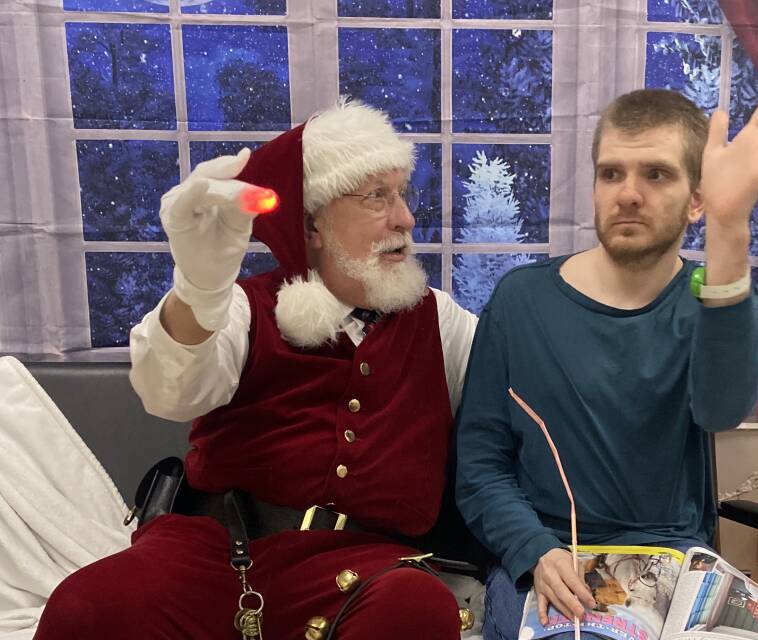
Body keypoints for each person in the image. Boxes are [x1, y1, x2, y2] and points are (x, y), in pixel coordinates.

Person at [35, 99, 477, 639]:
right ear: (311, 225)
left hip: (362, 569)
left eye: (401, 194)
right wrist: (198, 288)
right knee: (89, 608)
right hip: (217, 551)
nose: (405, 218)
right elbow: (171, 393)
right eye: (376, 197)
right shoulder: (243, 308)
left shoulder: (441, 322)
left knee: (416, 608)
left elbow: (520, 391)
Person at [455, 70, 758, 640]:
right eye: (612, 173)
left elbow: (720, 409)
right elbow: (480, 467)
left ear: (697, 199)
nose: (628, 192)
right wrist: (534, 550)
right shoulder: (521, 300)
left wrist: (731, 231)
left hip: (676, 567)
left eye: (656, 174)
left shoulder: (721, 302)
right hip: (551, 562)